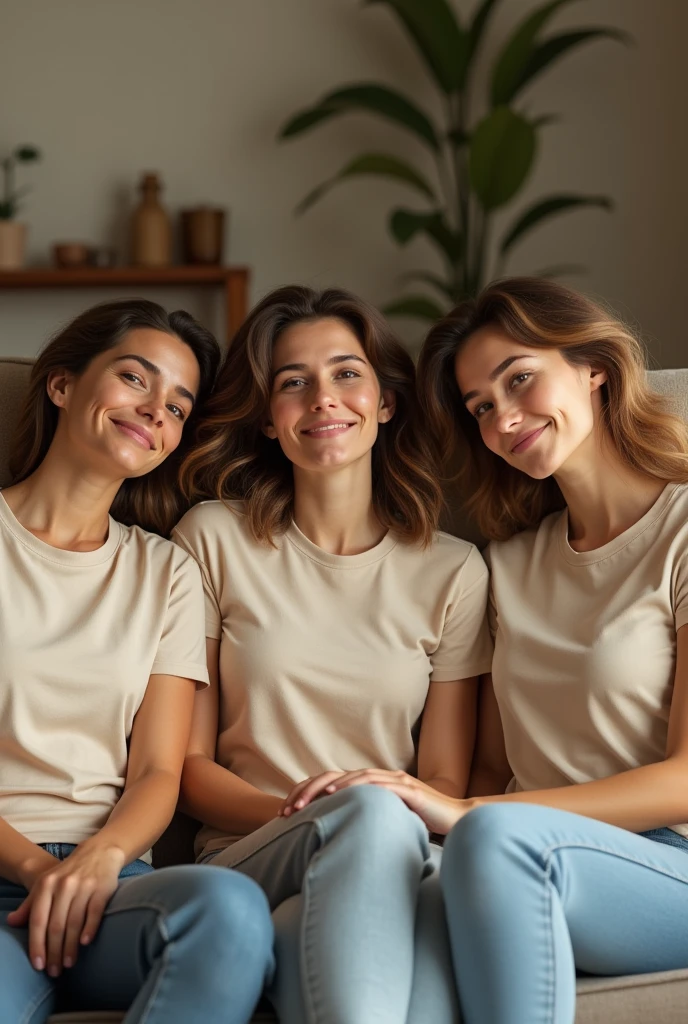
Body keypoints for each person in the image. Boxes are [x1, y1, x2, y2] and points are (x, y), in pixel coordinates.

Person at [328, 275, 688, 1024]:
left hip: (665, 864)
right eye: (480, 407)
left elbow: (687, 780)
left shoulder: (681, 534)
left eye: (519, 379)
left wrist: (471, 816)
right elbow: (494, 768)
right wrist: (454, 818)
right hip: (510, 851)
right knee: (413, 892)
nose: (504, 418)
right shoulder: (509, 566)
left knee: (489, 839)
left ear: (594, 368)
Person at [172, 284, 493, 1023]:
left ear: (384, 402)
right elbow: (189, 772)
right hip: (252, 853)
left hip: (395, 862)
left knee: (372, 973)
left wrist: (365, 819)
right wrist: (317, 814)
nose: (323, 398)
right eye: (294, 382)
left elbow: (440, 777)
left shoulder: (454, 571)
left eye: (347, 373)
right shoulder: (213, 540)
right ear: (267, 418)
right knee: (371, 817)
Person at [0, 299, 273, 1024]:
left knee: (229, 909)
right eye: (134, 378)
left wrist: (100, 860)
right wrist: (39, 872)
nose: (156, 411)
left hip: (115, 886)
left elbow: (159, 770)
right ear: (61, 384)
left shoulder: (168, 574)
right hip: (8, 877)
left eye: (179, 406)